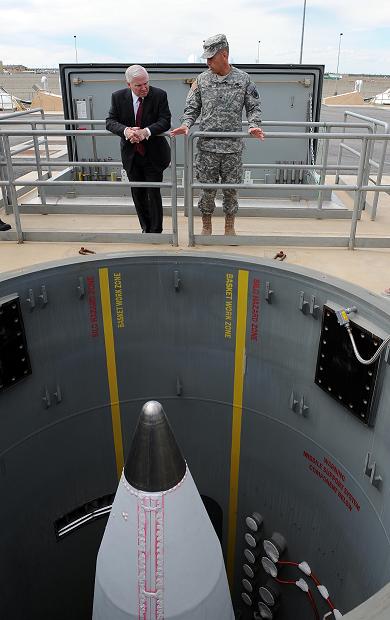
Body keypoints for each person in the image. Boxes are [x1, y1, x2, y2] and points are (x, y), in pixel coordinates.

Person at [171, 34, 264, 236]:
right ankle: (206, 226)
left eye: (211, 58)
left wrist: (253, 125)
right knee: (207, 190)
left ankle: (229, 227)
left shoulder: (243, 79)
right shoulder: (201, 80)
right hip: (207, 148)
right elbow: (192, 108)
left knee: (231, 190)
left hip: (232, 149)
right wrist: (186, 124)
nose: (208, 62)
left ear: (224, 55)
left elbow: (254, 107)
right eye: (206, 58)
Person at [106, 65, 171, 233]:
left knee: (153, 192)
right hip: (132, 155)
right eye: (139, 85)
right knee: (137, 193)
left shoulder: (159, 95)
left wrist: (145, 132)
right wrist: (126, 131)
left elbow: (165, 121)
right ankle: (145, 228)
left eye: (146, 84)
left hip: (154, 155)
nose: (144, 88)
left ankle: (156, 232)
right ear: (129, 84)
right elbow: (110, 121)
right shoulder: (118, 97)